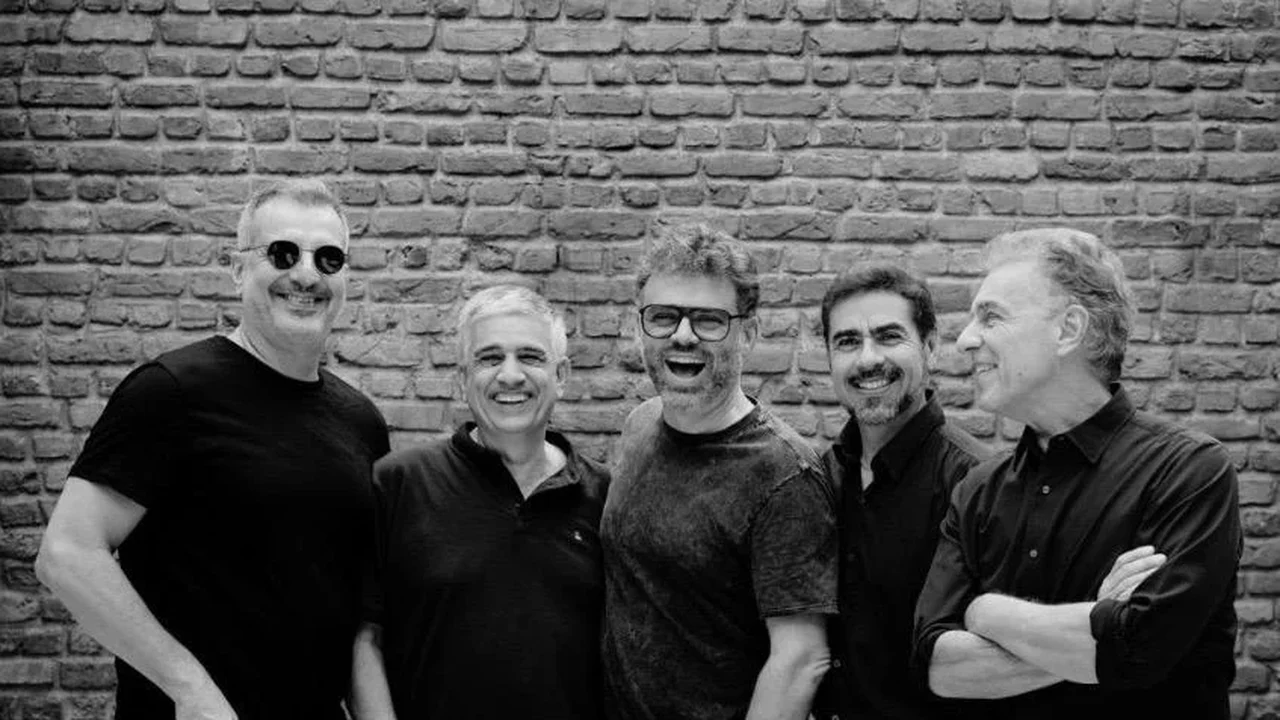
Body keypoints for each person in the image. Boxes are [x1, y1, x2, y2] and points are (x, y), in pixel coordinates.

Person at [36, 180, 390, 720]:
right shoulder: (171, 391)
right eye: (283, 253)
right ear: (237, 269)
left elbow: (359, 619)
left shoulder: (361, 422)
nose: (306, 274)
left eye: (329, 258)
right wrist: (190, 689)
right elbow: (67, 555)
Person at [913, 228, 1242, 719]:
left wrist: (987, 612)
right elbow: (938, 668)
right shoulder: (977, 490)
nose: (965, 340)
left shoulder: (1189, 471)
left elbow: (1140, 649)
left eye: (992, 316)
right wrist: (1095, 622)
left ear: (1068, 329)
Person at [601, 223, 837, 720]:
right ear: (640, 327)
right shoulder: (639, 427)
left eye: (708, 320)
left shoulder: (783, 474)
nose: (682, 335)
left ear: (747, 334)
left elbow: (800, 659)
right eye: (663, 316)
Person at [350, 285, 609, 720]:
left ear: (561, 376)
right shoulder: (399, 484)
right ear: (462, 379)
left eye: (530, 357)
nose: (510, 375)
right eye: (490, 358)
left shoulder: (605, 496)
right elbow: (364, 639)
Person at [812, 266, 989, 720]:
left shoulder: (978, 484)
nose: (867, 359)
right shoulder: (820, 477)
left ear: (930, 347)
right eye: (847, 342)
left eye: (889, 336)